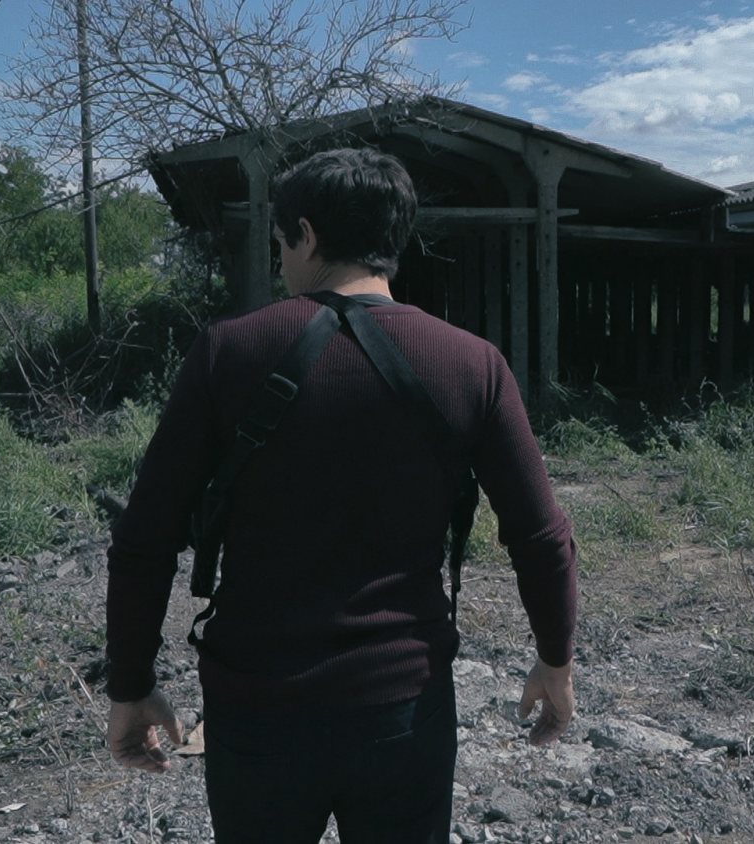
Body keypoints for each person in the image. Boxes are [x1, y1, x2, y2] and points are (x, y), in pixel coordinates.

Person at [102, 147, 578, 843]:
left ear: (308, 235)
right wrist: (555, 661)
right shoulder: (472, 363)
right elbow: (541, 536)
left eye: (282, 242)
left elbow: (144, 539)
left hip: (257, 709)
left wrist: (130, 685)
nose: (281, 261)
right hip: (404, 708)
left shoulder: (227, 352)